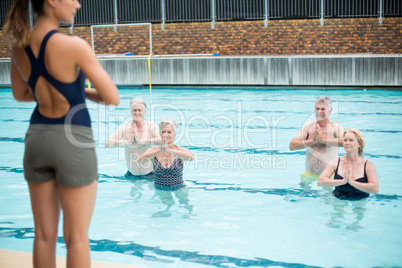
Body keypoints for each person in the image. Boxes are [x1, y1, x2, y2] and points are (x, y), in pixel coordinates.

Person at [4, 0, 119, 267]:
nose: (78, 4)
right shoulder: (74, 45)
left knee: (44, 236)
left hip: (37, 138)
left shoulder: (19, 45)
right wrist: (81, 93)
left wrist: (68, 92)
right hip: (72, 139)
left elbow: (21, 95)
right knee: (76, 238)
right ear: (52, 1)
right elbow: (111, 96)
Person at [289, 96, 344, 183]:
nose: (319, 112)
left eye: (323, 109)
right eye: (317, 108)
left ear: (330, 110)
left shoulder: (336, 127)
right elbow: (292, 146)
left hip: (329, 176)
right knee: (302, 196)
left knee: (329, 196)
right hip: (309, 174)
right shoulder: (308, 126)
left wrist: (324, 140)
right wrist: (310, 141)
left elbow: (345, 143)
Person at [106, 97, 161, 179]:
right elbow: (108, 143)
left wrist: (143, 141)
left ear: (145, 111)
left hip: (150, 174)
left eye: (140, 110)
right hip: (131, 175)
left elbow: (161, 141)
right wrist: (126, 142)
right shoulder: (124, 127)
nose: (137, 113)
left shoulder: (151, 126)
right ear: (131, 111)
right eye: (134, 110)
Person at [318, 129, 379, 200]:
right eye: (345, 140)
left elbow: (375, 189)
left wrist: (352, 183)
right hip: (338, 198)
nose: (347, 143)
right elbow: (320, 182)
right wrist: (342, 181)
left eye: (351, 140)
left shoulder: (368, 165)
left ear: (359, 144)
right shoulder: (335, 162)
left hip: (360, 199)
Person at [138, 118, 194, 190]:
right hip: (159, 189)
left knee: (184, 200)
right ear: (160, 134)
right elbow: (140, 161)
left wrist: (169, 150)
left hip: (179, 187)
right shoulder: (154, 150)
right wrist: (161, 150)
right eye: (163, 132)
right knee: (168, 201)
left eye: (169, 132)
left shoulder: (180, 150)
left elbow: (190, 158)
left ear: (174, 134)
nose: (166, 134)